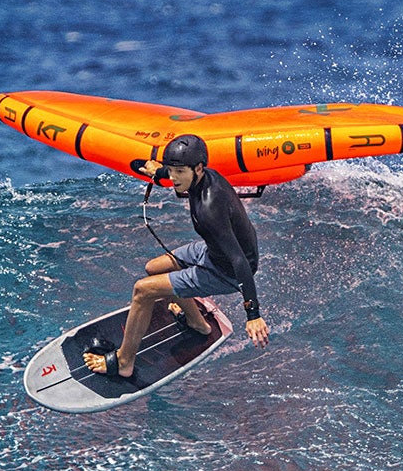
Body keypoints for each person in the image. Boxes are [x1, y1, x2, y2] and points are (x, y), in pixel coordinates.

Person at [83, 133, 270, 378]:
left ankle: (123, 362)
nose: (173, 178)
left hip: (226, 271)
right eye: (171, 171)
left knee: (143, 290)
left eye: (179, 172)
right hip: (212, 252)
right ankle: (197, 323)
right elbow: (175, 174)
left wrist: (253, 314)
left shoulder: (209, 208)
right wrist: (157, 171)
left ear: (199, 168)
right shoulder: (204, 178)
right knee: (154, 268)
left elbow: (239, 261)